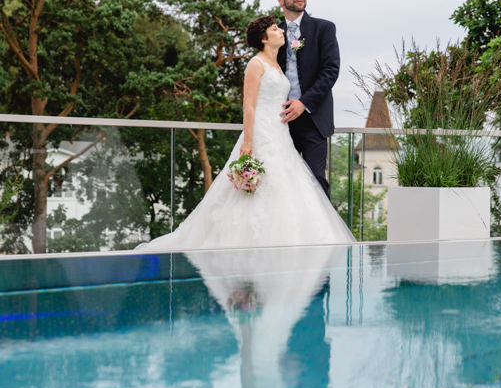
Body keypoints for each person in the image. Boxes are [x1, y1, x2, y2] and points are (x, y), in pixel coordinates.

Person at [137, 15, 354, 250]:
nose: (281, 31)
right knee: (258, 189)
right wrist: (248, 142)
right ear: (264, 38)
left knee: (288, 186)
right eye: (274, 29)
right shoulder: (255, 64)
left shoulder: (277, 65)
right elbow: (249, 105)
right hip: (261, 133)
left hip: (281, 134)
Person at [276, 0, 339, 197]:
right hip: (281, 120)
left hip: (314, 119)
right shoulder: (273, 33)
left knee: (315, 181)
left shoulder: (324, 28)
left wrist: (303, 103)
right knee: (281, 181)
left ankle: (323, 233)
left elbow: (330, 71)